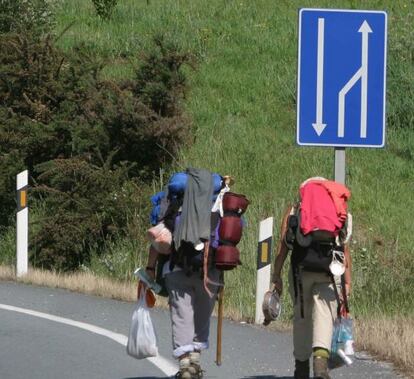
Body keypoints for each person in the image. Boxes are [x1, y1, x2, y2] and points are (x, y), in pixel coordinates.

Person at [143, 168, 225, 379]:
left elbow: (158, 237)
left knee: (181, 315)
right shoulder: (219, 201)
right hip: (210, 270)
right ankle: (195, 362)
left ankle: (185, 364)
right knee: (202, 315)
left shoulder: (171, 200)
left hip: (176, 267)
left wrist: (150, 268)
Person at [271, 178, 352, 379]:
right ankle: (320, 365)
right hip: (330, 273)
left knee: (302, 317)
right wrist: (348, 282)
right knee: (325, 314)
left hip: (300, 272)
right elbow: (344, 250)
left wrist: (276, 275)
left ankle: (301, 368)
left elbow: (284, 247)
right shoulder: (340, 211)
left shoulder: (294, 211)